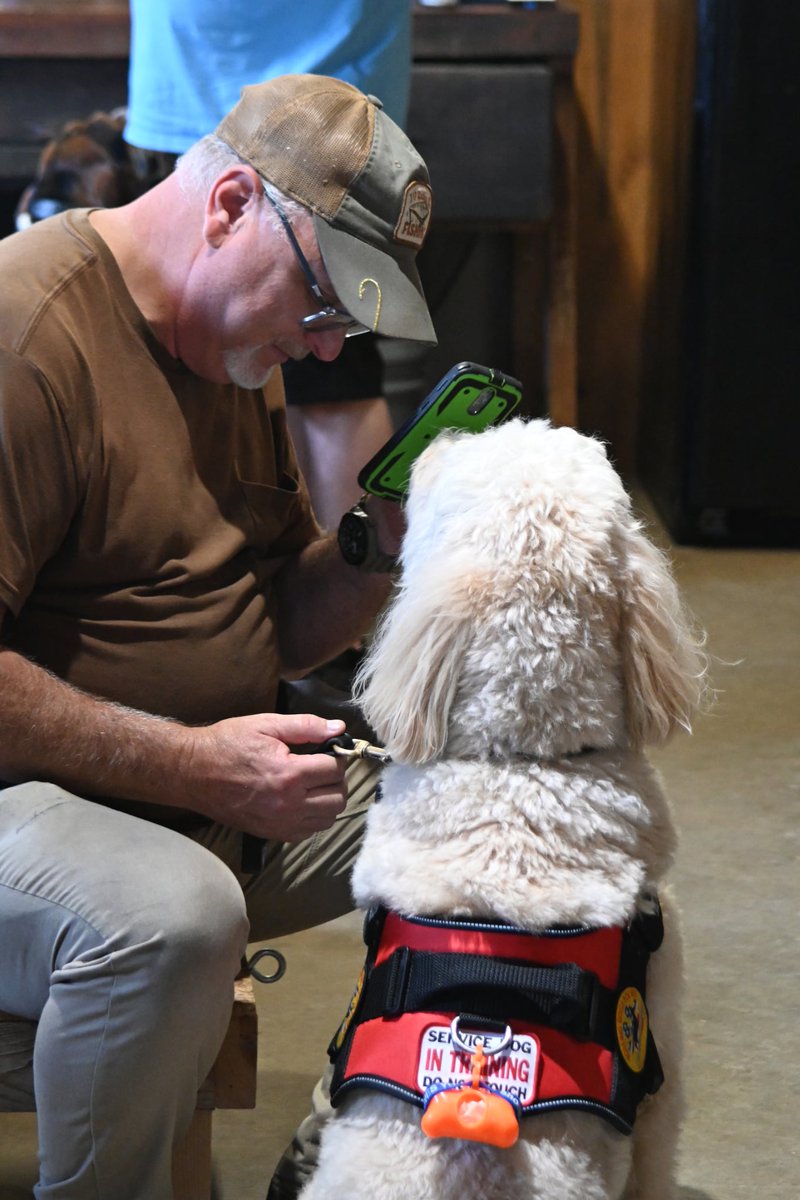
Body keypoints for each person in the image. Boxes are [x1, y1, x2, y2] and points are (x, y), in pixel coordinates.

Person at [0, 72, 435, 1200]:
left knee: (486, 811)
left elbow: (274, 614)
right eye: (324, 299)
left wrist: (375, 542)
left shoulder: (232, 339)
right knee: (174, 919)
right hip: (28, 793)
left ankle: (363, 1152)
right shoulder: (27, 335)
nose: (329, 347)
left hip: (199, 782)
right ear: (233, 202)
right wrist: (198, 764)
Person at [124, 0, 413, 529]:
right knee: (186, 356)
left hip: (321, 89)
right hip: (212, 69)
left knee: (327, 361)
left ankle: (341, 585)